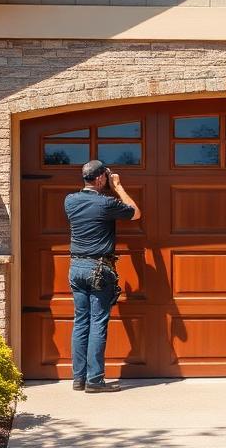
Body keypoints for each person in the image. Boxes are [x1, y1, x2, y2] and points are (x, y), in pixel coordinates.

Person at [64, 160, 141, 393]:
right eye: (105, 177)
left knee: (81, 322)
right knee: (97, 323)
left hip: (76, 267)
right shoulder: (106, 203)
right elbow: (135, 213)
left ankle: (78, 379)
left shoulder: (70, 200)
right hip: (99, 268)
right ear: (100, 179)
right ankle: (95, 381)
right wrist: (118, 187)